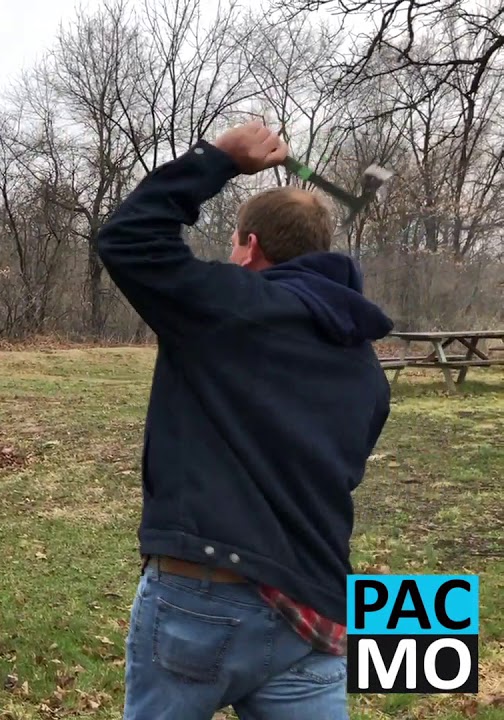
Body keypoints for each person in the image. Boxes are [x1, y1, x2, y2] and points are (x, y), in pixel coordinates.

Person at [95, 120, 394, 719]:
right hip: (316, 606)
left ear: (251, 247)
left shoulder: (228, 307)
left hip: (204, 597)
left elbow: (129, 239)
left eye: (234, 243)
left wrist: (217, 158)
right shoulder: (364, 365)